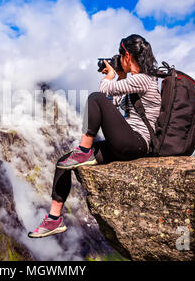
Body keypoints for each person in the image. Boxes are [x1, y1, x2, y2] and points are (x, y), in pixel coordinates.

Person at [28, 34, 162, 238]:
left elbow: (104, 92)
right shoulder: (136, 81)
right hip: (127, 141)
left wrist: (110, 77)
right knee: (64, 162)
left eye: (120, 54)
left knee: (95, 97)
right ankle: (54, 219)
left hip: (137, 143)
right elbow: (114, 105)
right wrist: (121, 76)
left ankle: (84, 150)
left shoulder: (144, 79)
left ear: (126, 54)